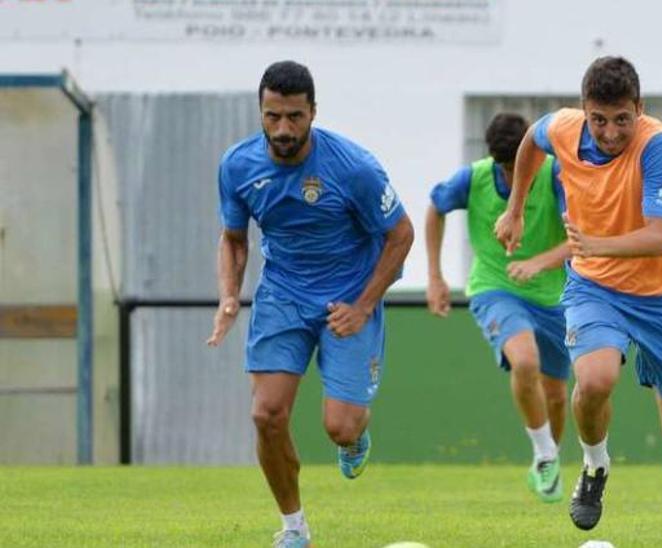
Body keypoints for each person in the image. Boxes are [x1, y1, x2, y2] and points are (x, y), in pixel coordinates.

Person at [494, 56, 662, 546]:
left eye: (621, 120)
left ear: (640, 109)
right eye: (599, 120)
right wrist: (516, 208)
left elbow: (657, 237)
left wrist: (595, 242)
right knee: (594, 380)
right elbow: (531, 141)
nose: (610, 132)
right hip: (596, 287)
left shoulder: (658, 147)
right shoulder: (565, 128)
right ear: (585, 111)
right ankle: (594, 464)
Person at [207, 60, 413, 548]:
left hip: (349, 298)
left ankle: (355, 437)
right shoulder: (237, 166)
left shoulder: (354, 168)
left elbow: (400, 236)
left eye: (294, 117)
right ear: (261, 110)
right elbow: (234, 239)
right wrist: (229, 296)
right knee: (266, 414)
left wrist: (363, 305)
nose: (283, 128)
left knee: (339, 428)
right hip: (282, 295)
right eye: (273, 116)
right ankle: (294, 528)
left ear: (313, 112)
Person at [424, 112, 572, 503]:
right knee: (525, 362)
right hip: (494, 287)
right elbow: (434, 208)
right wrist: (435, 276)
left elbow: (583, 238)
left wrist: (539, 262)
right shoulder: (472, 178)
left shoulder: (556, 174)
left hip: (553, 295)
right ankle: (543, 453)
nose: (512, 173)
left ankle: (549, 459)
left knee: (556, 393)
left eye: (518, 163)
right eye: (505, 167)